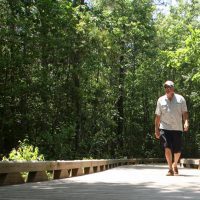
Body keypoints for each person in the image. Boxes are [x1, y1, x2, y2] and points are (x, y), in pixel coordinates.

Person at [155, 80, 189, 176]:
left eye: (169, 87)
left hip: (177, 127)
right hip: (164, 127)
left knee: (177, 150)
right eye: (166, 87)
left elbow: (185, 113)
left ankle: (175, 164)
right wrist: (156, 129)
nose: (167, 89)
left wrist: (186, 122)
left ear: (173, 88)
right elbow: (158, 116)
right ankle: (170, 168)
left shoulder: (180, 99)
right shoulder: (160, 100)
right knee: (167, 147)